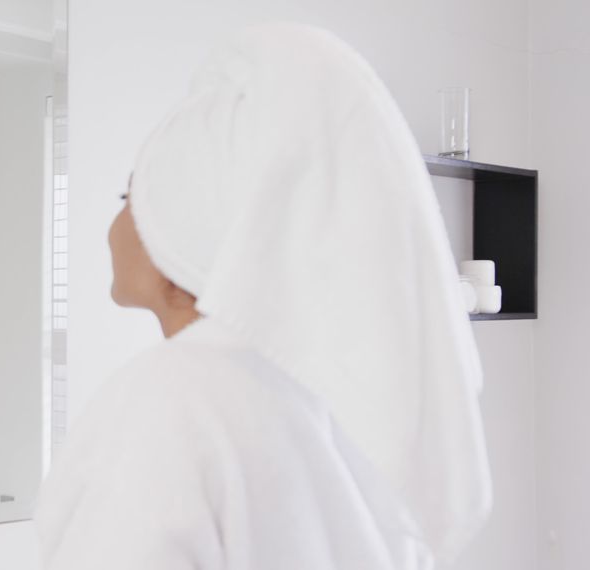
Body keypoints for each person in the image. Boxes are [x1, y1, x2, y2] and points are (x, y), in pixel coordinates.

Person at [35, 22, 491, 570]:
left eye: (129, 196)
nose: (114, 222)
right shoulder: (332, 401)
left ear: (182, 226)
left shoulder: (172, 399)